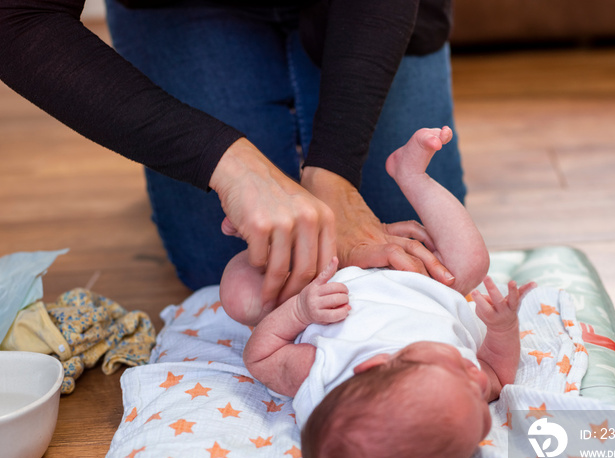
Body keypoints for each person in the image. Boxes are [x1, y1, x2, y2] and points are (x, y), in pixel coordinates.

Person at [0, 0, 465, 310]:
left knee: (431, 255)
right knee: (230, 268)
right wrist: (228, 164)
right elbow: (17, 15)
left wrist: (336, 176)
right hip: (186, 6)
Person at [224, 126, 536, 458]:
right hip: (426, 281)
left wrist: (301, 310)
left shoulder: (324, 369)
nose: (475, 375)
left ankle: (269, 233)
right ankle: (412, 175)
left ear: (374, 365)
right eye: (482, 409)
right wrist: (501, 328)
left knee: (241, 298)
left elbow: (261, 355)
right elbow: (499, 372)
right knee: (471, 263)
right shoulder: (466, 394)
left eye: (461, 377)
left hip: (327, 274)